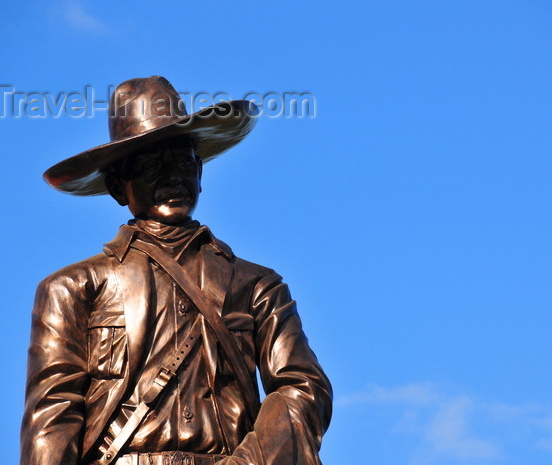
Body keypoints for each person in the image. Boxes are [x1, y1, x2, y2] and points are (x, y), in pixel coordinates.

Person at [21, 76, 332, 465]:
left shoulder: (258, 286)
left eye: (183, 161)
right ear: (119, 187)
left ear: (200, 170)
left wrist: (250, 461)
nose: (172, 177)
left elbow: (304, 387)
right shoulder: (71, 288)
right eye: (151, 165)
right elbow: (52, 419)